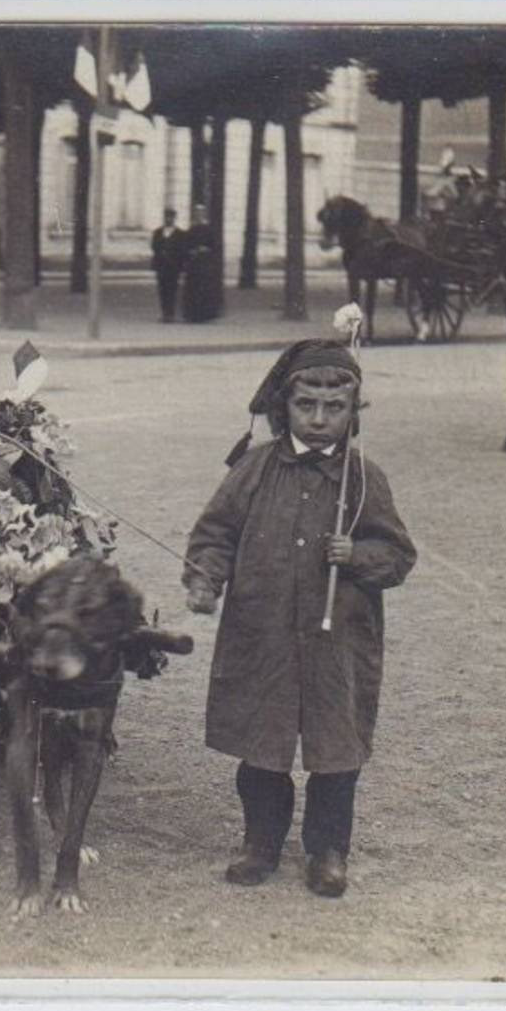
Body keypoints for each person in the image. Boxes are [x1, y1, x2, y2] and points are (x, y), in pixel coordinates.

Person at [183, 340, 415, 898]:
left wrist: (357, 555)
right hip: (261, 634)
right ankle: (260, 842)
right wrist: (204, 580)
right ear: (282, 406)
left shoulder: (363, 478)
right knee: (262, 745)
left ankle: (328, 849)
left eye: (334, 409)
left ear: (352, 412)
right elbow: (214, 535)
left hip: (339, 642)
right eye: (306, 405)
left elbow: (399, 556)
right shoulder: (254, 469)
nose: (318, 420)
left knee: (337, 750)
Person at [180, 204, 221, 323]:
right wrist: (191, 251)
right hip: (193, 264)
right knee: (192, 289)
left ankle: (204, 314)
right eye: (196, 213)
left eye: (201, 213)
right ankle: (192, 314)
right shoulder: (190, 230)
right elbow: (185, 246)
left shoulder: (208, 230)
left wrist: (205, 249)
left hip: (204, 264)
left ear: (204, 215)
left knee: (204, 289)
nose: (198, 215)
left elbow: (214, 246)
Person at [150, 207, 186, 323]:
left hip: (173, 266)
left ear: (174, 218)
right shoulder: (158, 232)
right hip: (161, 265)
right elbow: (154, 246)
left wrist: (176, 259)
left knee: (172, 289)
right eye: (167, 217)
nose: (168, 219)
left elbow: (182, 249)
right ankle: (164, 312)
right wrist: (161, 253)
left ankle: (171, 313)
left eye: (171, 217)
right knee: (162, 289)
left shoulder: (180, 233)